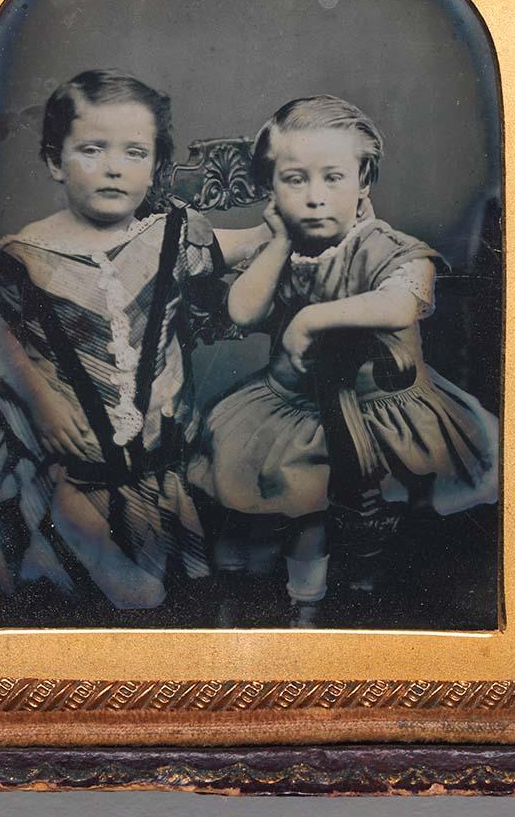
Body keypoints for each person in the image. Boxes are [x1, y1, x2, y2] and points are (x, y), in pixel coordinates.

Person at [188, 95, 499, 625]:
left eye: (333, 178)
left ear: (364, 182)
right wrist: (278, 241)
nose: (313, 198)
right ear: (271, 190)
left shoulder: (385, 246)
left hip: (379, 410)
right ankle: (268, 594)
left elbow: (404, 300)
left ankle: (314, 609)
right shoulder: (282, 240)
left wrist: (313, 318)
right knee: (252, 463)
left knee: (313, 487)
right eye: (294, 180)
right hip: (291, 404)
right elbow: (242, 310)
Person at [0, 70, 267, 610]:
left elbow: (247, 243)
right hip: (69, 450)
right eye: (92, 149)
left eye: (135, 153)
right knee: (95, 541)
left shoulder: (168, 236)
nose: (114, 167)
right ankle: (72, 543)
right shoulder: (25, 255)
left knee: (167, 584)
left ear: (155, 167)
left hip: (156, 457)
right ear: (54, 163)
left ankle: (137, 573)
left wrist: (293, 224)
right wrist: (43, 403)